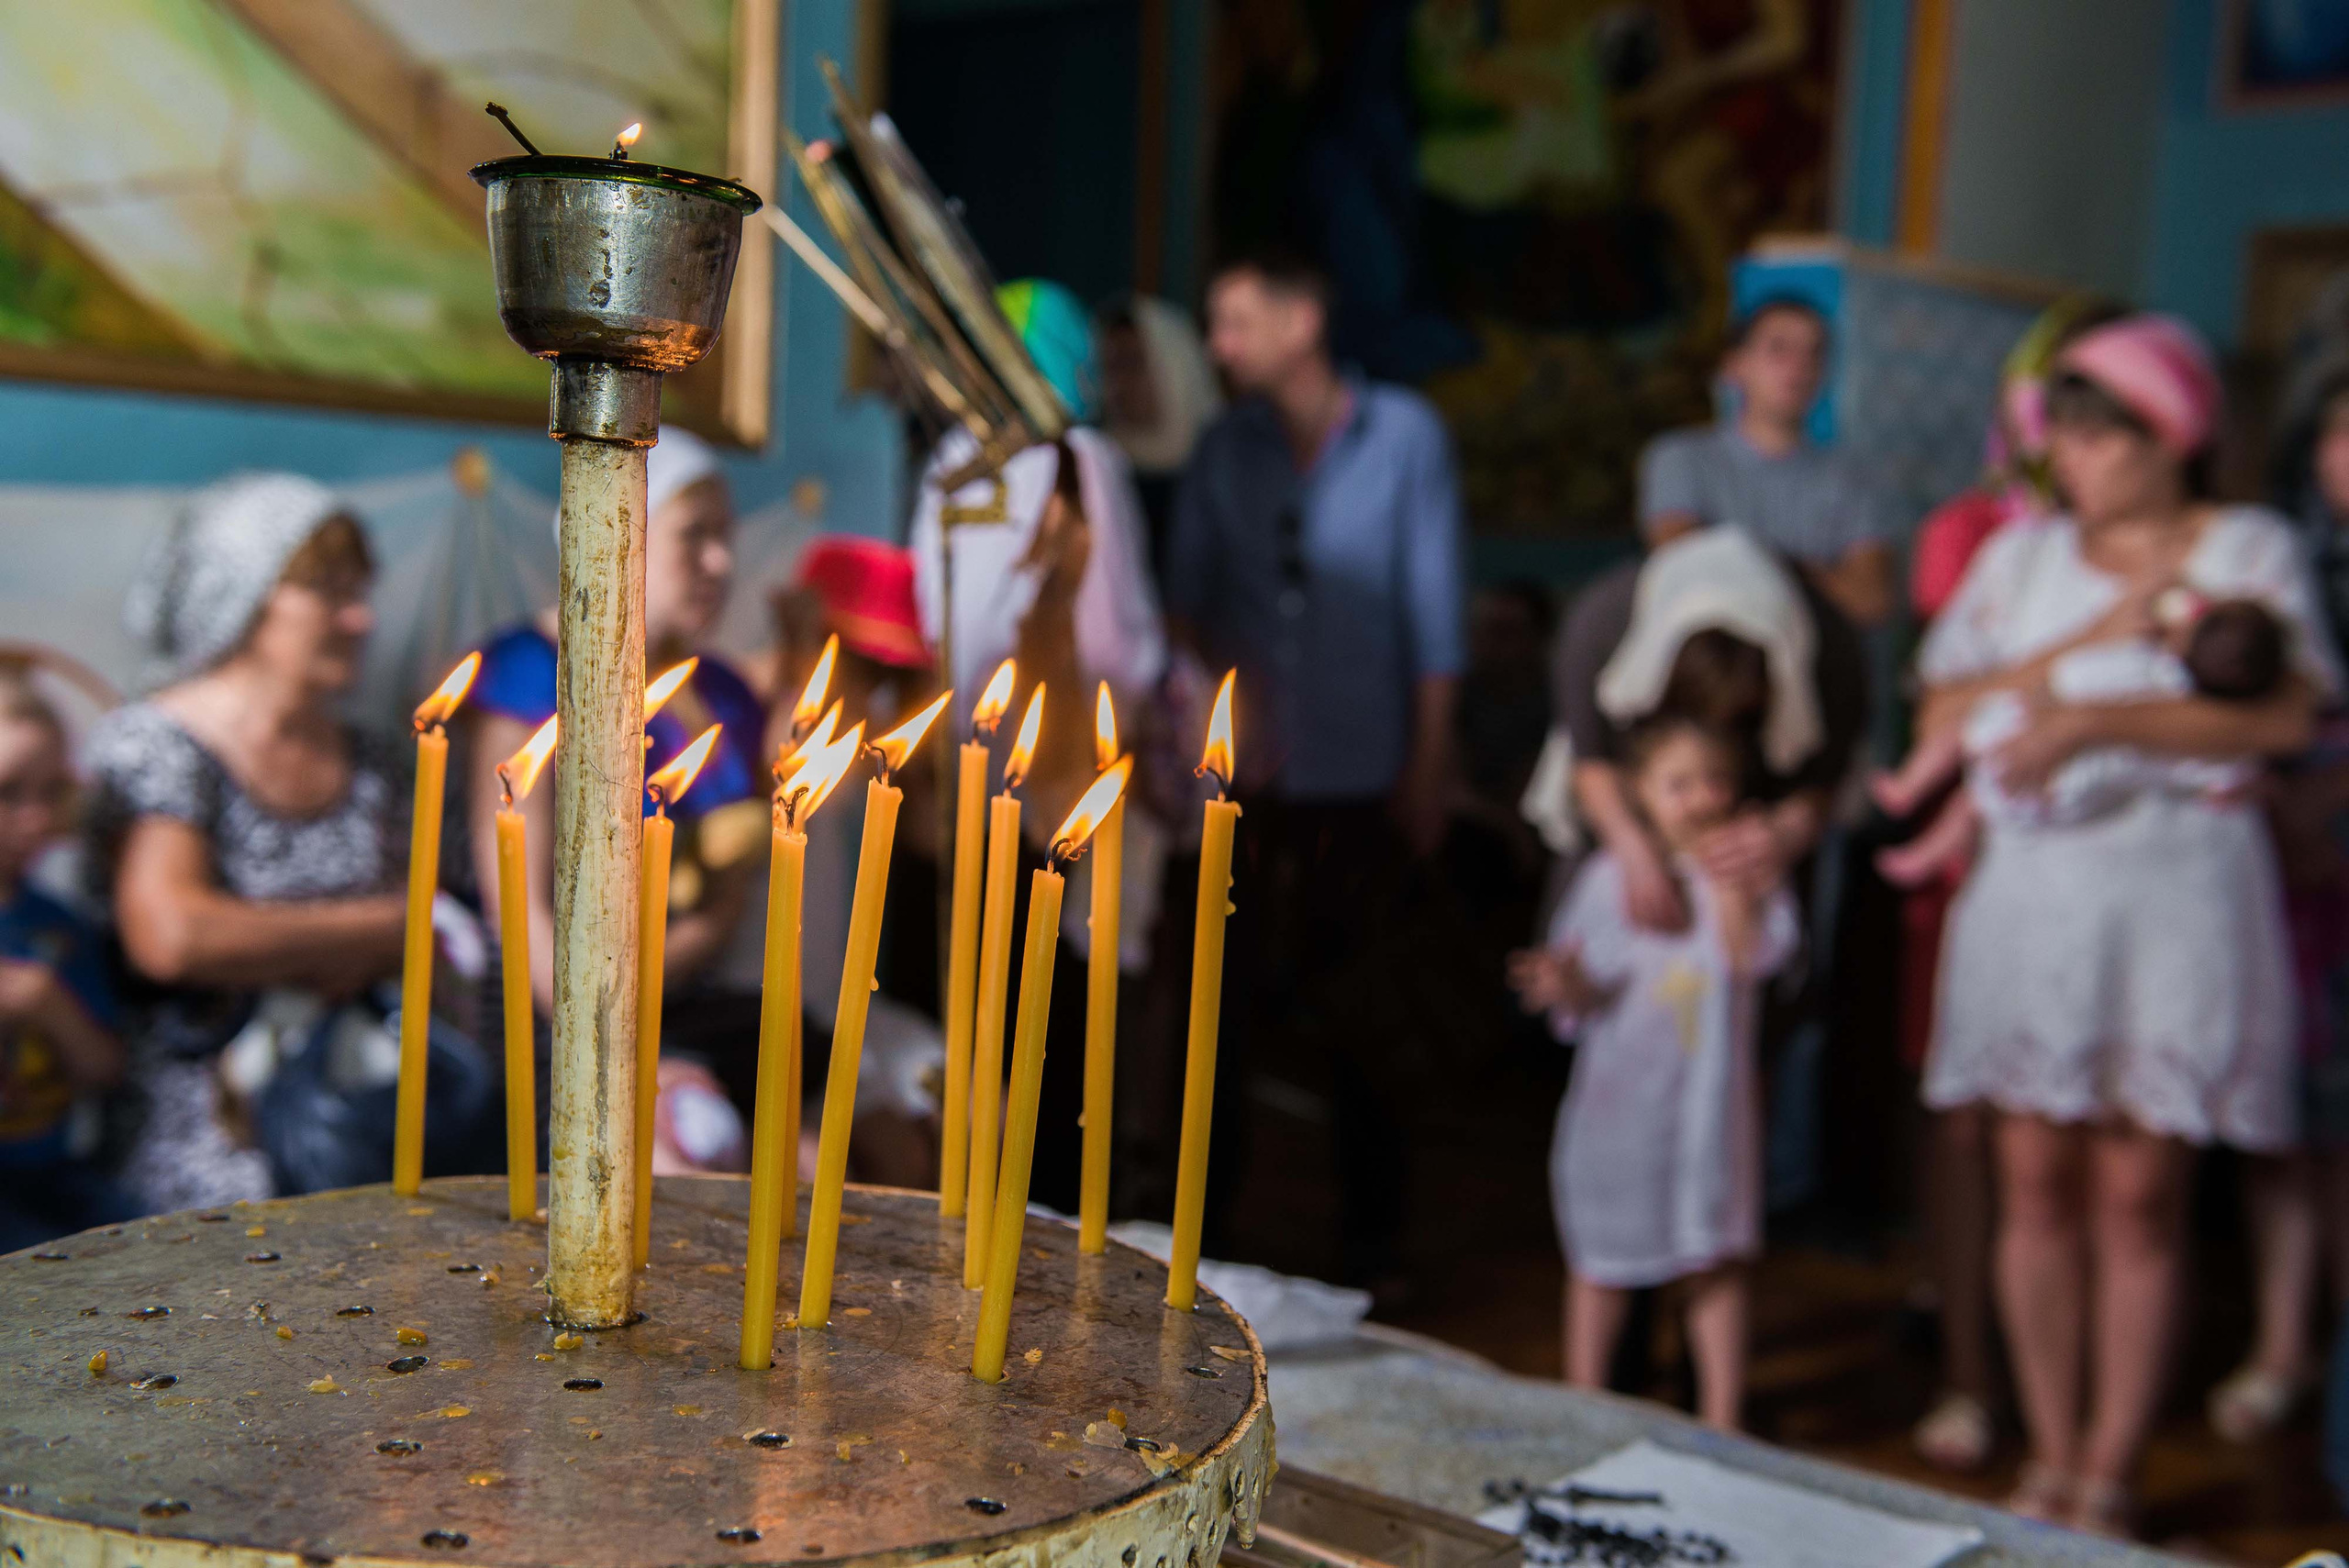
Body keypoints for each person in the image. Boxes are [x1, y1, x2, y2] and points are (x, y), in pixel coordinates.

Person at [1915, 314, 2337, 1535]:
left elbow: (2277, 721)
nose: (2077, 456)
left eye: (2106, 432)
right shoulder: (2020, 560)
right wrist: (2082, 659)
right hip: (2036, 904)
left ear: (2175, 435)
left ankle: (2111, 1466)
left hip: (2177, 904)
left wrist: (2099, 725)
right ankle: (2048, 1452)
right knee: (2032, 1176)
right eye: (2068, 431)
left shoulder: (2247, 547)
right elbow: (1943, 703)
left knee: (2140, 1190)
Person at [1167, 250, 1466, 1291]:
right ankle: (1202, 1242)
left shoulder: (1406, 438)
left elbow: (1434, 621)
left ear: (1302, 322)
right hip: (1249, 784)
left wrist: (1427, 766)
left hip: (1362, 774)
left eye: (1235, 321)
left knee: (1366, 1013)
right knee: (1224, 1003)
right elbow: (1188, 599)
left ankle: (1372, 1245)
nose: (1218, 346)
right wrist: (1218, 703)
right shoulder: (1223, 445)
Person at [83, 473, 413, 1212]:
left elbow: (451, 924)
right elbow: (173, 935)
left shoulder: (378, 762)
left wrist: (282, 942)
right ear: (246, 596)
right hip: (206, 1122)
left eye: (361, 589)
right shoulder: (159, 746)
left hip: (360, 1094)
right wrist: (377, 928)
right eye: (330, 591)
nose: (361, 618)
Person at [465, 429, 768, 1168]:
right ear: (618, 531)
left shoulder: (725, 690)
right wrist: (606, 1025)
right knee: (680, 1158)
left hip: (693, 990)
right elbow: (521, 908)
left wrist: (666, 969)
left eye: (726, 536)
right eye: (694, 536)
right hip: (561, 1014)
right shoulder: (534, 675)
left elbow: (733, 889)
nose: (721, 562)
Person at [1510, 710, 1799, 1430]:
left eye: (1716, 780)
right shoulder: (1610, 879)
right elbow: (1587, 988)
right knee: (1604, 1259)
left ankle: (1723, 1418)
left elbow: (1746, 962)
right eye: (1679, 783)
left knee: (1715, 1259)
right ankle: (1586, 1405)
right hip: (1622, 1115)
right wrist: (1565, 980)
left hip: (1707, 1118)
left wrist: (1732, 885)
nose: (1702, 797)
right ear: (1639, 792)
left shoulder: (1752, 881)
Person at [1876, 595, 2288, 884]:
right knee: (1973, 805)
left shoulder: (2144, 666)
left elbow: (2074, 677)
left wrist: (2049, 696)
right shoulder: (2205, 736)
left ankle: (1908, 785)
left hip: (2024, 737)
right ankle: (1929, 852)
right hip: (2072, 795)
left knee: (1961, 737)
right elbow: (2224, 782)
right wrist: (2258, 783)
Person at [1640, 295, 1894, 629]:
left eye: (1814, 352)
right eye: (1779, 348)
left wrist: (1746, 562)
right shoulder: (1680, 457)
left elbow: (1870, 600)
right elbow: (1682, 564)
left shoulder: (1853, 477)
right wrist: (1811, 575)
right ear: (1734, 366)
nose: (1799, 365)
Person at [0, 662, 128, 1249]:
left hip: (49, 1175)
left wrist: (47, 1003)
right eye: (8, 793)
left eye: (53, 791)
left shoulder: (60, 928)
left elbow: (106, 1070)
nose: (36, 818)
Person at [1098, 295, 1223, 578]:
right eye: (1109, 365)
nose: (1117, 384)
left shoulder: (1224, 478)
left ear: (1174, 364)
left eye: (1132, 363)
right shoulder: (1099, 470)